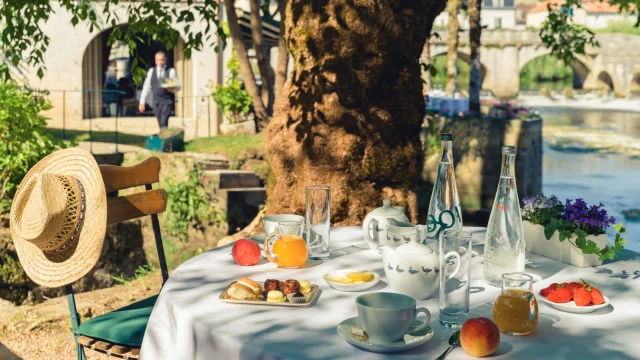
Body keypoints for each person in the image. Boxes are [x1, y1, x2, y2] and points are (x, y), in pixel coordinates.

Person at [139, 51, 181, 130]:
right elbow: (146, 87)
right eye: (158, 60)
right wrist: (142, 101)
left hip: (167, 101)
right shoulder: (151, 71)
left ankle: (163, 138)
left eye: (162, 60)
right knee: (160, 123)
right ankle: (166, 136)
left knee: (164, 121)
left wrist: (171, 88)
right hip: (156, 102)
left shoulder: (171, 71)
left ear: (165, 60)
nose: (160, 62)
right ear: (155, 60)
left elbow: (178, 86)